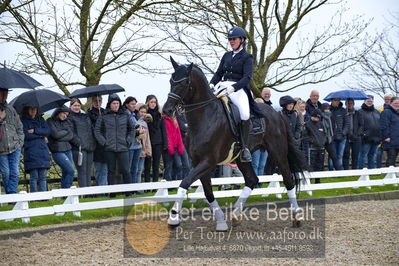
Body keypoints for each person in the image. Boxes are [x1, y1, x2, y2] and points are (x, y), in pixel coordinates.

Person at [209, 26, 263, 162]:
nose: (231, 41)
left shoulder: (247, 57)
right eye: (230, 39)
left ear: (242, 40)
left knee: (244, 114)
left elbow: (247, 77)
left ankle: (244, 147)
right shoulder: (226, 55)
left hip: (238, 89)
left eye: (234, 39)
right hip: (223, 86)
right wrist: (211, 84)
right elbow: (219, 73)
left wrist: (234, 87)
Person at [94, 94, 135, 187]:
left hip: (123, 147)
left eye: (117, 103)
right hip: (109, 148)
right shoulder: (103, 116)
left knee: (126, 170)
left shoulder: (125, 115)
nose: (116, 105)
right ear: (110, 104)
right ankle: (112, 193)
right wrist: (104, 142)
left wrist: (128, 140)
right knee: (111, 171)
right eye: (114, 103)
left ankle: (129, 191)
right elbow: (97, 131)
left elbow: (131, 129)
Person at [21, 106, 51, 192]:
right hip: (31, 152)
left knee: (42, 177)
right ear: (27, 110)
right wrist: (40, 135)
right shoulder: (23, 121)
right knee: (34, 177)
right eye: (31, 109)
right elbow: (25, 135)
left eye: (35, 109)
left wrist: (35, 130)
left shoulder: (41, 120)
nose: (33, 110)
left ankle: (44, 198)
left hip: (42, 151)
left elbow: (48, 131)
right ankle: (34, 198)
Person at [0, 88, 24, 194]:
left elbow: (19, 127)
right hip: (1, 148)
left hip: (15, 146)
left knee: (15, 173)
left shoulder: (11, 109)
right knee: (6, 173)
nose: (4, 96)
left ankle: (12, 195)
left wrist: (20, 143)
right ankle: (11, 195)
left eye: (6, 93)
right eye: (2, 93)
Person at [69, 98, 96, 187]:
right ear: (70, 106)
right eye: (75, 105)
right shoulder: (69, 117)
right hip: (79, 148)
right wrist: (79, 143)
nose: (77, 107)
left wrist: (92, 142)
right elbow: (71, 133)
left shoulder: (85, 116)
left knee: (88, 171)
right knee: (82, 171)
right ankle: (84, 193)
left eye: (78, 105)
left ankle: (89, 193)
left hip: (89, 146)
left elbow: (91, 130)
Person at [47, 106, 75, 189]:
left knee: (66, 172)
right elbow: (55, 135)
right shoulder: (49, 121)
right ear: (58, 112)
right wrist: (66, 131)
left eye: (67, 114)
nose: (65, 116)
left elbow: (71, 135)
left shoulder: (67, 122)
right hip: (57, 151)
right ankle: (67, 191)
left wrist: (60, 136)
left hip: (68, 150)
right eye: (64, 113)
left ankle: (64, 194)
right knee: (71, 171)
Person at [144, 95, 167, 183]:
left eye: (154, 102)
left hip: (158, 142)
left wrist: (165, 143)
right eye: (151, 102)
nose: (153, 104)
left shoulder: (160, 115)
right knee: (147, 165)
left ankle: (155, 185)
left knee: (156, 165)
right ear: (148, 103)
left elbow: (163, 130)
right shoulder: (145, 115)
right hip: (148, 142)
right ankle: (147, 185)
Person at [87, 96, 107, 186]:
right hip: (95, 145)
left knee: (105, 169)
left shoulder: (105, 112)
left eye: (99, 101)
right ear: (92, 102)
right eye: (95, 101)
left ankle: (104, 188)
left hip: (105, 143)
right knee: (98, 169)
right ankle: (101, 189)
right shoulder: (89, 114)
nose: (97, 103)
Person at [123, 96, 144, 184]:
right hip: (130, 145)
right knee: (129, 168)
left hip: (137, 145)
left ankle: (135, 187)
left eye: (135, 104)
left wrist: (140, 130)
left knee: (135, 168)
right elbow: (128, 129)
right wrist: (138, 132)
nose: (134, 106)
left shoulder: (134, 115)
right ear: (127, 104)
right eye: (132, 104)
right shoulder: (125, 115)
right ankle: (128, 187)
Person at [303, 109, 326, 183]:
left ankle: (318, 180)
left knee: (319, 165)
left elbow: (324, 134)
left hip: (321, 148)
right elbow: (305, 136)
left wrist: (323, 141)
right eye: (317, 117)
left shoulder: (321, 124)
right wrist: (313, 141)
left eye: (319, 118)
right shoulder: (307, 124)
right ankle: (308, 180)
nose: (318, 119)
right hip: (312, 148)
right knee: (311, 165)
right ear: (313, 116)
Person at [358, 95, 380, 169]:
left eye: (371, 101)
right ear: (364, 101)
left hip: (376, 137)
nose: (370, 102)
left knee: (372, 155)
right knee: (363, 155)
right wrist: (363, 134)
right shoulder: (360, 112)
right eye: (368, 101)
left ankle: (372, 171)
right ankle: (361, 171)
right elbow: (358, 125)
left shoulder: (376, 111)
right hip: (365, 138)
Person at [328, 98, 349, 170]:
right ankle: (331, 171)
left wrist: (343, 133)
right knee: (332, 155)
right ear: (331, 101)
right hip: (331, 137)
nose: (337, 102)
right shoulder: (328, 110)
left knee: (340, 155)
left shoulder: (343, 111)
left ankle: (339, 171)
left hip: (342, 137)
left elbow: (347, 124)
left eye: (338, 100)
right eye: (335, 100)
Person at [320, 103, 342, 171]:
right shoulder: (320, 116)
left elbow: (334, 127)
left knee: (334, 156)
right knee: (321, 157)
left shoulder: (331, 116)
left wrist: (332, 137)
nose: (327, 110)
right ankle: (320, 172)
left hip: (329, 139)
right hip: (321, 139)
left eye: (328, 108)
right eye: (326, 109)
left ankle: (339, 171)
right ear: (323, 109)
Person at [163, 114, 184, 181]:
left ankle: (179, 182)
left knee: (179, 165)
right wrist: (169, 146)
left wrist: (180, 145)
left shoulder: (175, 120)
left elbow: (178, 134)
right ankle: (167, 183)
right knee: (168, 166)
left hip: (175, 147)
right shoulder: (164, 120)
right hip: (168, 147)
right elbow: (166, 134)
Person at [342, 98, 362, 170]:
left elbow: (361, 125)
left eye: (351, 103)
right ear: (345, 104)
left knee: (355, 155)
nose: (349, 105)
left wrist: (357, 134)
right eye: (348, 103)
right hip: (346, 137)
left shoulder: (358, 113)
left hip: (356, 138)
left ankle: (354, 170)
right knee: (346, 155)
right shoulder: (344, 113)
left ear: (353, 104)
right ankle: (346, 171)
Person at [380, 96, 399, 166]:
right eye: (395, 103)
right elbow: (384, 125)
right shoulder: (386, 112)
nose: (397, 105)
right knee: (391, 158)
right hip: (390, 140)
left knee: (394, 158)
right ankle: (389, 174)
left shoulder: (397, 112)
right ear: (390, 103)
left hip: (397, 139)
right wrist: (386, 137)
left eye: (398, 103)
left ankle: (394, 174)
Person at [135, 103, 152, 185]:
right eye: (141, 112)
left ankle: (138, 186)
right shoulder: (137, 123)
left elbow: (147, 139)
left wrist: (148, 150)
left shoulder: (145, 123)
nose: (143, 114)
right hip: (138, 148)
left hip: (144, 150)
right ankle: (135, 187)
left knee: (139, 170)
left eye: (145, 112)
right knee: (136, 169)